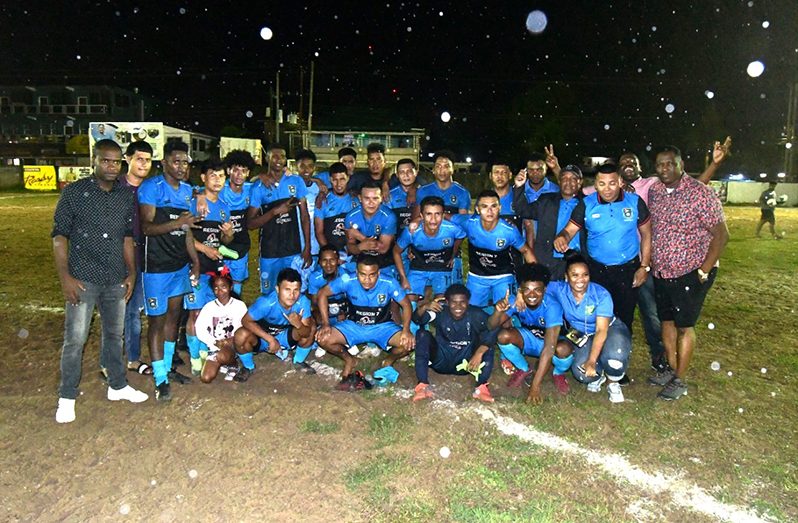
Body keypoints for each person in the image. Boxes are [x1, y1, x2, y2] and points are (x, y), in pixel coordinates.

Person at [52, 139, 148, 423]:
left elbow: (127, 237)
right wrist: (65, 277)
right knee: (76, 339)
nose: (111, 166)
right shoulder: (74, 193)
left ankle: (117, 386)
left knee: (113, 335)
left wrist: (131, 272)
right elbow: (59, 236)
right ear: (93, 161)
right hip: (82, 278)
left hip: (115, 277)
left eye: (116, 161)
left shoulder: (124, 195)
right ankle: (67, 396)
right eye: (105, 160)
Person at [648, 146, 728, 400]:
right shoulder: (656, 192)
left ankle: (680, 379)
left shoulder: (701, 194)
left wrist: (703, 272)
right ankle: (672, 370)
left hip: (691, 273)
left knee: (685, 326)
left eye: (670, 164)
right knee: (667, 323)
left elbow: (722, 235)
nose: (664, 169)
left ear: (681, 164)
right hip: (662, 273)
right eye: (660, 164)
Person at [554, 162, 652, 336]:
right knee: (596, 314)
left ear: (620, 181)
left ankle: (618, 356)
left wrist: (644, 267)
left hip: (627, 269)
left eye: (612, 183)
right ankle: (594, 356)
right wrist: (562, 237)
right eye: (602, 183)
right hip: (597, 270)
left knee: (624, 316)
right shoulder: (587, 204)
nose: (607, 189)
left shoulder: (635, 202)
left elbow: (647, 234)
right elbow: (569, 230)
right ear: (595, 184)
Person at [138, 139, 201, 401]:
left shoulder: (187, 191)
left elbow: (186, 231)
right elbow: (146, 228)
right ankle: (159, 378)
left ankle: (167, 367)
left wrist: (194, 260)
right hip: (156, 267)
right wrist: (178, 221)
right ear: (164, 163)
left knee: (174, 318)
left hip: (179, 265)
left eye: (185, 162)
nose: (181, 166)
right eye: (176, 161)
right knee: (157, 321)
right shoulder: (151, 187)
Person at [530, 254, 630, 404]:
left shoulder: (600, 294)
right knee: (582, 375)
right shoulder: (559, 289)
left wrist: (591, 360)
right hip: (581, 334)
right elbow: (536, 286)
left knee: (615, 361)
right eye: (575, 275)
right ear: (566, 277)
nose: (580, 280)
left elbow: (601, 330)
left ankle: (612, 382)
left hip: (608, 329)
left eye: (585, 275)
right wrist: (519, 294)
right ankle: (600, 374)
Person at [315, 254, 415, 391]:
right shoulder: (347, 280)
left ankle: (388, 361)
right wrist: (326, 323)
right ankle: (350, 360)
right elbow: (322, 293)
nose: (367, 280)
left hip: (382, 326)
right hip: (354, 326)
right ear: (356, 272)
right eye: (362, 275)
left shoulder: (389, 283)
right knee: (323, 339)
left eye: (372, 275)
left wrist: (406, 330)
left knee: (407, 343)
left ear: (378, 273)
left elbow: (406, 304)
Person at [184, 159, 234, 375]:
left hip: (214, 270)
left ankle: (205, 351)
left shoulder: (224, 208)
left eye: (222, 176)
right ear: (203, 178)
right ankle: (195, 357)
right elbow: (182, 235)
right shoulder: (194, 203)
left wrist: (228, 235)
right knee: (194, 314)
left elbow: (223, 241)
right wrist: (203, 249)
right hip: (195, 268)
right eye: (213, 175)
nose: (218, 180)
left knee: (210, 314)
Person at [412, 284, 498, 403]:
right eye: (453, 302)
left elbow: (494, 329)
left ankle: (481, 388)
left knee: (487, 344)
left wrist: (479, 352)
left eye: (462, 302)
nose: (458, 306)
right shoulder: (439, 311)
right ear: (447, 302)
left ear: (468, 302)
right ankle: (422, 386)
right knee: (422, 334)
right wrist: (425, 306)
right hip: (440, 361)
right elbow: (417, 319)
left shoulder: (476, 314)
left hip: (467, 364)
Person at [451, 190, 535, 308]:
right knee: (471, 312)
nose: (490, 211)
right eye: (484, 206)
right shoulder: (469, 223)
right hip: (477, 276)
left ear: (500, 208)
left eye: (494, 206)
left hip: (502, 276)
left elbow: (526, 251)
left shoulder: (508, 230)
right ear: (477, 209)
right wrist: (419, 220)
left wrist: (532, 280)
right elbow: (444, 216)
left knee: (505, 312)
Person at [247, 144, 312, 293]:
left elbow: (304, 216)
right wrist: (274, 212)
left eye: (282, 156)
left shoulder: (295, 182)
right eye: (274, 156)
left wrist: (307, 247)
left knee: (292, 291)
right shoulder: (258, 187)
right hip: (270, 251)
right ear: (267, 158)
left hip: (293, 249)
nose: (279, 159)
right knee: (269, 293)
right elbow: (250, 224)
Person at [236, 268, 317, 377]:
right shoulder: (266, 303)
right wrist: (270, 339)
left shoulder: (303, 302)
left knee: (311, 326)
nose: (292, 295)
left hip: (286, 335)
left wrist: (298, 324)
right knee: (240, 335)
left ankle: (298, 360)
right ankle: (248, 367)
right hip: (263, 337)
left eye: (296, 290)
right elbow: (245, 321)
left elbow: (307, 333)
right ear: (277, 289)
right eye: (287, 289)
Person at [489, 263, 559, 389]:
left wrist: (535, 387)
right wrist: (497, 312)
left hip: (551, 344)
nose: (532, 295)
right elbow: (491, 326)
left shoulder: (552, 306)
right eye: (527, 289)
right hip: (529, 340)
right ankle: (523, 368)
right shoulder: (515, 300)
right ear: (520, 290)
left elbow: (549, 347)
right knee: (503, 336)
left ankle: (558, 374)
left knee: (564, 350)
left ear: (545, 290)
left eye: (537, 290)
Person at [119, 140, 153, 375]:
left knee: (134, 310)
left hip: (144, 255)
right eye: (139, 158)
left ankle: (132, 358)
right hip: (118, 255)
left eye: (148, 160)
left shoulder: (150, 189)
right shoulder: (115, 187)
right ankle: (111, 361)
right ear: (128, 159)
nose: (144, 164)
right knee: (118, 309)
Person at [515, 164, 585, 281]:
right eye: (564, 178)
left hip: (577, 261)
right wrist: (519, 187)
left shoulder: (588, 204)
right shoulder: (546, 200)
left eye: (573, 178)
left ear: (580, 182)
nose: (568, 182)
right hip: (548, 260)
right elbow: (523, 210)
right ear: (559, 181)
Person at [414, 151, 471, 285]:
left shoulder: (462, 193)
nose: (442, 170)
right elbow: (417, 220)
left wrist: (453, 253)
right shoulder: (423, 191)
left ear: (453, 169)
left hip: (451, 250)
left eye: (446, 166)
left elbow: (462, 226)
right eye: (438, 166)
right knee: (426, 292)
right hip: (426, 250)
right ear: (433, 170)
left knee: (453, 293)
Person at [393, 196, 465, 301]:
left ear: (443, 215)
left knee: (442, 301)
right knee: (408, 300)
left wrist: (452, 255)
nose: (433, 219)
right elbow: (396, 251)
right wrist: (403, 278)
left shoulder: (452, 229)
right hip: (418, 268)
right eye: (428, 214)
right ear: (421, 216)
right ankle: (414, 315)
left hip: (441, 268)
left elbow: (460, 236)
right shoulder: (412, 232)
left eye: (437, 214)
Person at [194, 269, 251, 383]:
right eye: (216, 288)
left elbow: (243, 327)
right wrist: (213, 341)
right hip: (216, 345)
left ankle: (233, 364)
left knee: (223, 356)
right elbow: (199, 328)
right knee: (206, 378)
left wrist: (230, 340)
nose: (220, 291)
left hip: (233, 345)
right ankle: (223, 361)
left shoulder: (239, 305)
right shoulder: (209, 307)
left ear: (230, 287)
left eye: (223, 287)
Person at [221, 149, 256, 296]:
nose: (239, 174)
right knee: (220, 282)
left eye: (244, 170)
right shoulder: (219, 189)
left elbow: (267, 182)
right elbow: (199, 191)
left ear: (248, 173)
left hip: (240, 246)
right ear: (229, 170)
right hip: (220, 245)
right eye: (236, 170)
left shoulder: (250, 190)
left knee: (237, 285)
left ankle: (234, 314)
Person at [345, 180, 397, 276]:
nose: (371, 203)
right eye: (367, 198)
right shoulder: (351, 217)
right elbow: (350, 247)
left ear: (381, 198)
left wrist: (360, 237)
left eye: (375, 198)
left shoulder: (388, 216)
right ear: (360, 198)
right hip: (360, 262)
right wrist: (359, 247)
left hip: (384, 263)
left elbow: (383, 249)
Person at [314, 162, 359, 258]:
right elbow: (319, 232)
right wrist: (331, 256)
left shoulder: (356, 200)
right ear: (330, 180)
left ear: (348, 178)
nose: (339, 184)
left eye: (342, 179)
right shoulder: (322, 201)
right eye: (335, 180)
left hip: (353, 256)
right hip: (331, 257)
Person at [308, 245, 349, 327]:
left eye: (332, 260)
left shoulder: (346, 276)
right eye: (324, 260)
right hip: (326, 315)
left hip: (345, 316)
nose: (328, 264)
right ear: (319, 262)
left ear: (338, 261)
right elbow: (315, 304)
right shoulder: (315, 278)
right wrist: (318, 316)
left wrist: (347, 314)